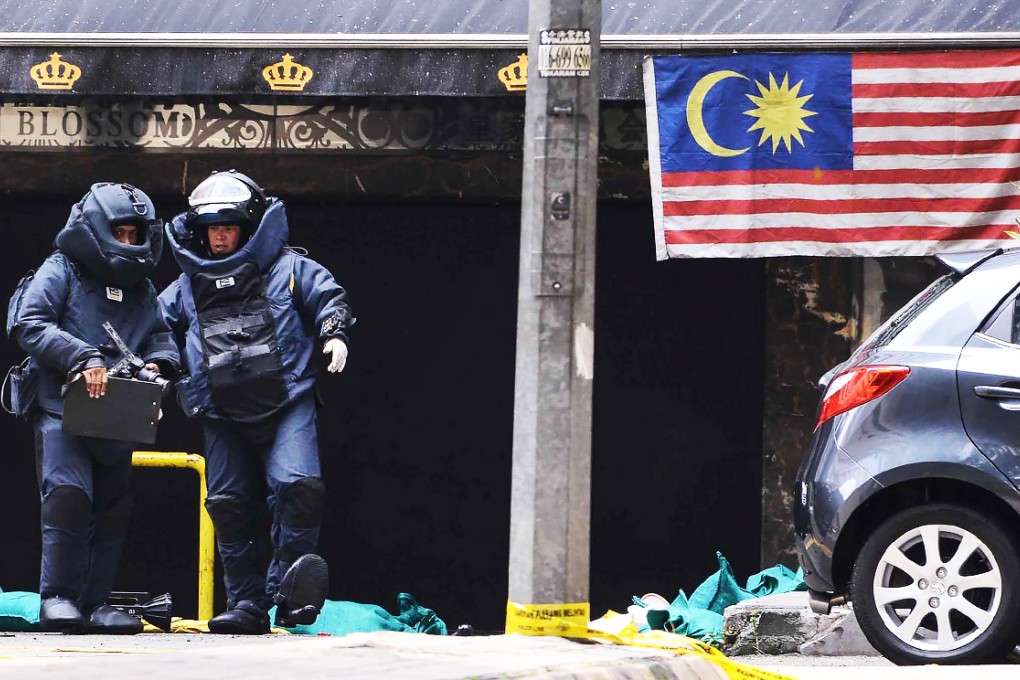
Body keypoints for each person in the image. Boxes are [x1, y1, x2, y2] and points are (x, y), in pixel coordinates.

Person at [159, 170, 353, 634]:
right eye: (211, 228)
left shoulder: (289, 269)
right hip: (220, 411)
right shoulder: (187, 285)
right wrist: (154, 371)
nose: (219, 236)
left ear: (247, 227)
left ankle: (290, 596)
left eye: (228, 227)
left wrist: (334, 332)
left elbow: (329, 297)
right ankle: (246, 604)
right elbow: (154, 328)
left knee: (298, 488)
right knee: (228, 504)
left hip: (288, 402)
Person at [9, 183, 180, 634]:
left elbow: (162, 335)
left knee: (112, 507)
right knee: (68, 497)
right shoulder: (62, 268)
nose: (128, 242)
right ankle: (58, 597)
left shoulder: (141, 288)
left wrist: (159, 364)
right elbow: (30, 323)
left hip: (116, 413)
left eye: (134, 234)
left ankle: (97, 602)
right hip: (60, 407)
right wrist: (83, 357)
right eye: (120, 233)